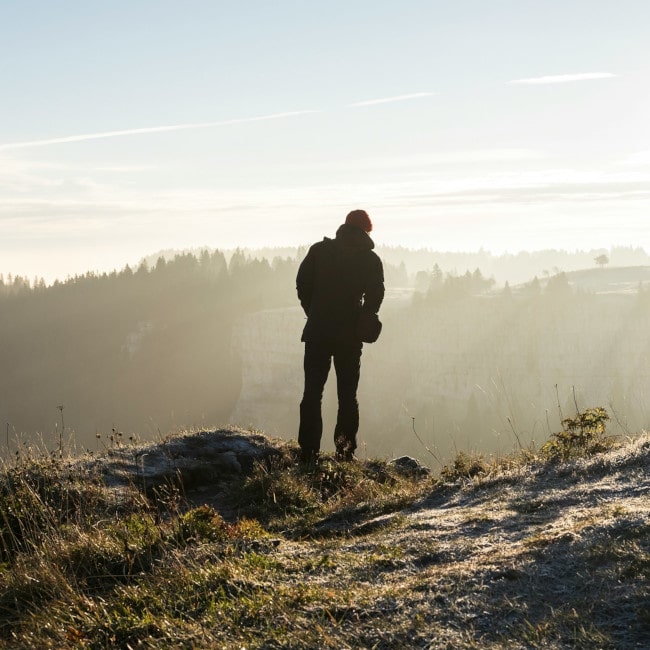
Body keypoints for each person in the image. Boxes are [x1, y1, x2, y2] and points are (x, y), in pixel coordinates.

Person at [296, 209, 384, 463]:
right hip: (349, 336)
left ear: (344, 226)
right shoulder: (369, 259)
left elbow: (303, 284)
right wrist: (365, 315)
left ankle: (308, 452)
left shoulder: (319, 251)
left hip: (317, 332)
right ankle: (344, 453)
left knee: (312, 393)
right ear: (366, 230)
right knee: (347, 395)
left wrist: (313, 311)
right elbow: (376, 294)